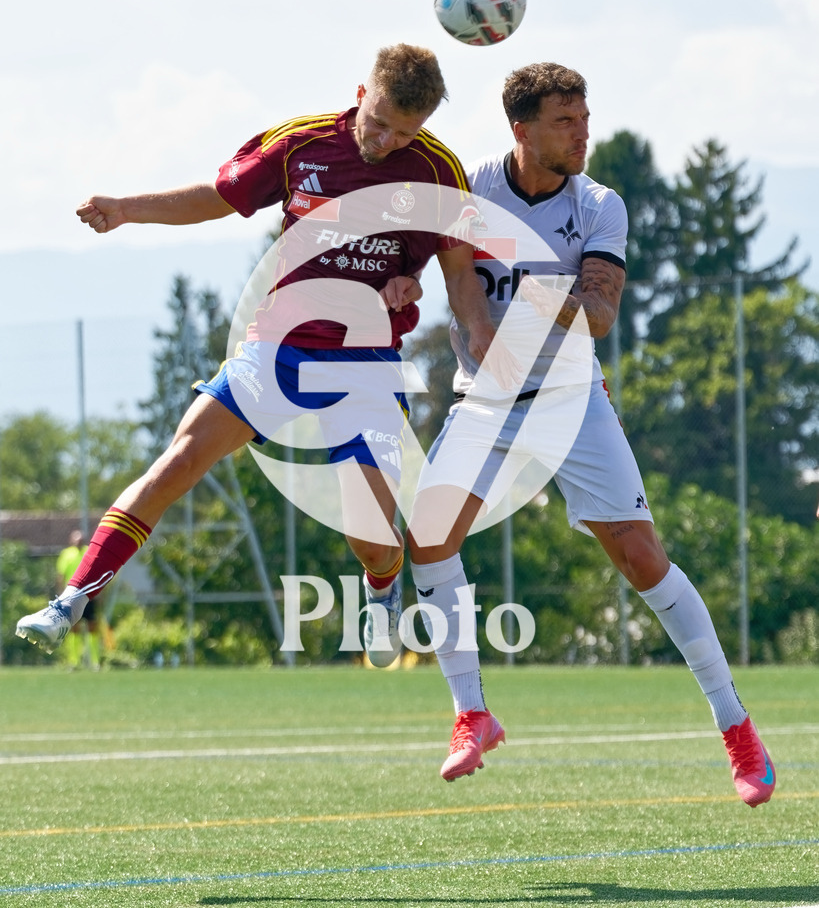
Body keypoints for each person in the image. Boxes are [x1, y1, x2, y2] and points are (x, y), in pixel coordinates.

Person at [16, 44, 498, 664]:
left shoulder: (438, 172)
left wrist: (473, 336)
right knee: (180, 460)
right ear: (360, 93)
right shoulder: (300, 145)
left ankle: (382, 591)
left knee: (373, 542)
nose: (385, 139)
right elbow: (218, 195)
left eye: (405, 131)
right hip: (277, 346)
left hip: (366, 364)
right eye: (378, 121)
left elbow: (460, 272)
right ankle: (73, 598)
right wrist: (126, 210)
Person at [404, 62, 776, 807]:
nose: (582, 135)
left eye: (584, 119)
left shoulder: (599, 203)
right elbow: (446, 283)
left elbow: (599, 314)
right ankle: (471, 713)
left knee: (641, 559)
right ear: (522, 130)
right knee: (429, 535)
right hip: (487, 401)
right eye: (564, 123)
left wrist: (522, 289)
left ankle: (735, 727)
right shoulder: (469, 191)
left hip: (573, 399)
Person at [56, 530, 101, 669]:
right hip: (72, 597)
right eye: (76, 540)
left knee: (92, 628)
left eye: (81, 540)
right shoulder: (66, 554)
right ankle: (74, 662)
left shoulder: (90, 552)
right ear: (71, 541)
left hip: (88, 595)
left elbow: (97, 572)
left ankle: (95, 662)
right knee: (74, 629)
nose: (78, 542)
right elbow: (60, 576)